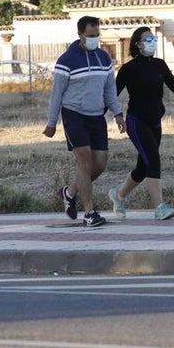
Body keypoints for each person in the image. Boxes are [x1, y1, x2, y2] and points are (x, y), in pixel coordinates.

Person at [109, 26, 174, 220]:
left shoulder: (159, 65)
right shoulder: (128, 69)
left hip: (155, 121)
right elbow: (112, 94)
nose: (152, 42)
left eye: (153, 39)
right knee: (153, 159)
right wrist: (116, 115)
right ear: (138, 44)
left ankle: (118, 196)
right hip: (136, 121)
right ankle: (159, 207)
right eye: (148, 40)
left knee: (143, 167)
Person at [42, 15, 124, 227]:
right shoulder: (66, 60)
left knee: (100, 164)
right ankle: (89, 212)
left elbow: (109, 90)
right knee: (84, 160)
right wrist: (51, 122)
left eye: (97, 35)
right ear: (79, 35)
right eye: (90, 36)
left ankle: (69, 193)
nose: (94, 39)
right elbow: (57, 94)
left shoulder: (104, 59)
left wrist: (118, 113)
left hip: (97, 115)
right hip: (74, 115)